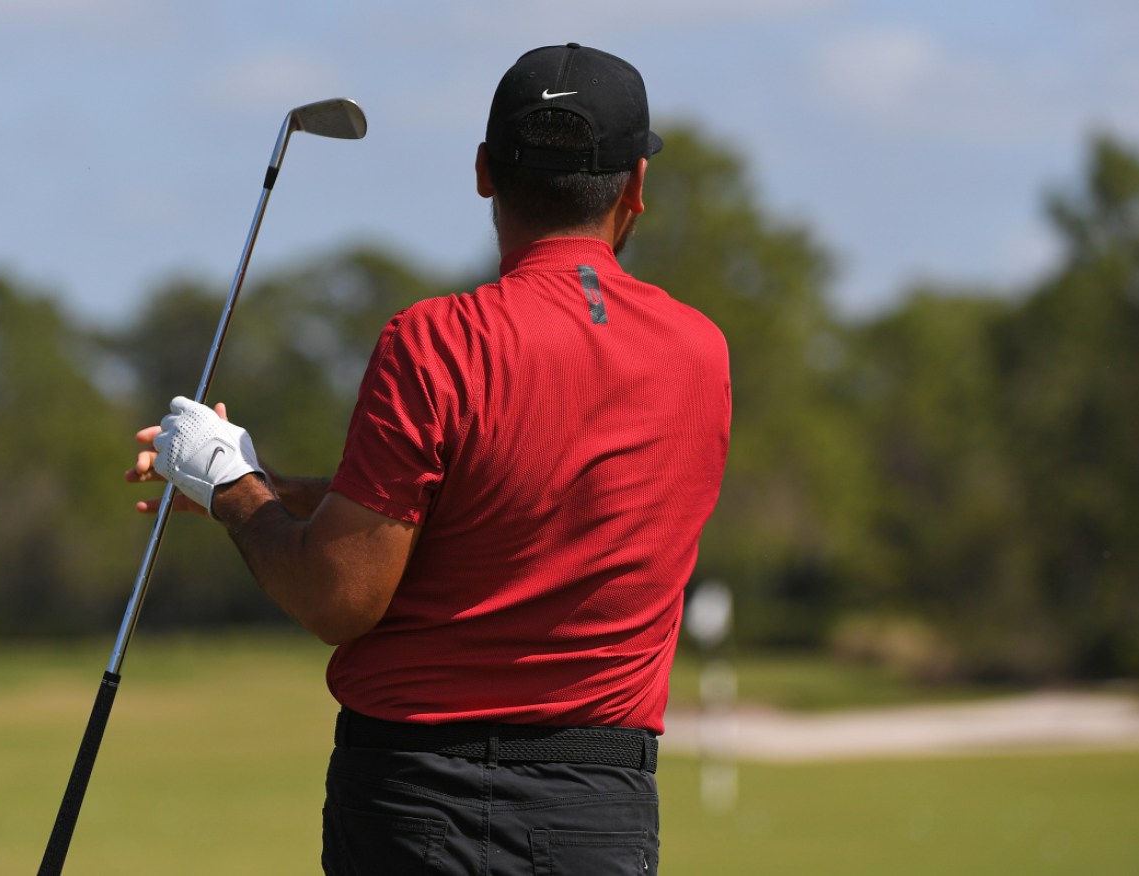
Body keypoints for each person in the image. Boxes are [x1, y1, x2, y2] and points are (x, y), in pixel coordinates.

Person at [129, 43, 730, 876]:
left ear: (484, 171)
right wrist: (263, 483)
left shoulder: (438, 340)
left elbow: (338, 595)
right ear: (635, 183)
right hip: (598, 809)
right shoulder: (700, 352)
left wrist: (231, 486)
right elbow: (491, 499)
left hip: (419, 805)